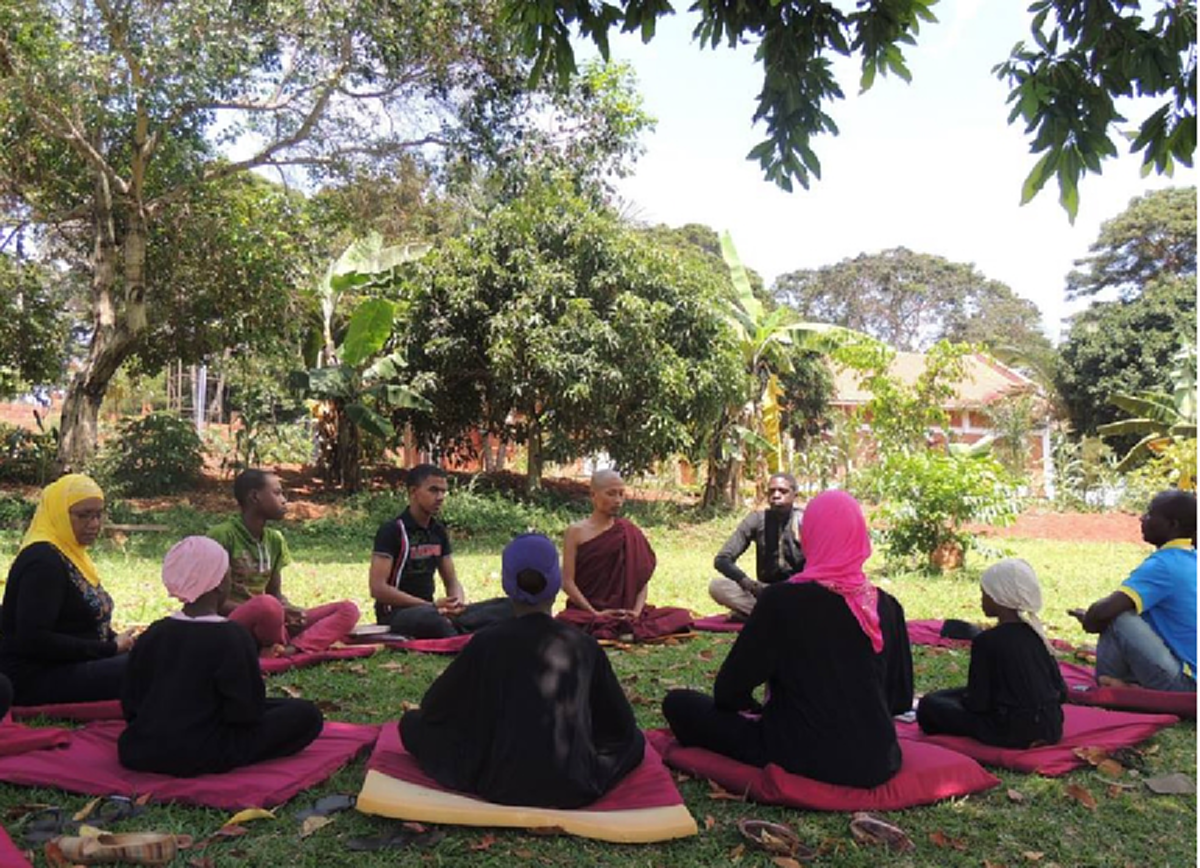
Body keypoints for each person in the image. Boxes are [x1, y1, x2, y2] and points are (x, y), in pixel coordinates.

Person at [661, 490, 901, 788]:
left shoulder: (782, 601)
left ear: (811, 535)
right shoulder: (887, 606)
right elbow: (899, 698)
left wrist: (759, 710)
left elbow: (729, 691)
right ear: (860, 537)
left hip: (798, 754)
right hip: (879, 760)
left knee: (680, 704)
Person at [400, 533, 645, 807]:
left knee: (412, 724)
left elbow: (434, 706)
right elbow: (620, 725)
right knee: (635, 741)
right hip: (577, 785)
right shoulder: (585, 646)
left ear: (507, 583)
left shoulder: (486, 643)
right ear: (555, 584)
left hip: (498, 784)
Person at [119, 536, 323, 776]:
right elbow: (246, 712)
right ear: (217, 583)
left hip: (139, 749)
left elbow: (131, 704)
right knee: (305, 715)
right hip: (203, 752)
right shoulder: (232, 637)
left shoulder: (154, 633)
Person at [0, 474, 133, 705]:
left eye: (98, 514)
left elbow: (79, 621)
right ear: (59, 514)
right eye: (83, 516)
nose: (94, 524)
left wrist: (117, 642)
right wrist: (109, 649)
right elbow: (34, 639)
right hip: (36, 678)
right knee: (147, 666)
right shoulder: (43, 562)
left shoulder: (71, 555)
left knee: (152, 655)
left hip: (72, 664)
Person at [207, 469, 359, 655]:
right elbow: (210, 601)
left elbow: (275, 593)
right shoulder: (222, 536)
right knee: (267, 606)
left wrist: (290, 611)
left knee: (347, 610)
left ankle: (291, 649)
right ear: (255, 497)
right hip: (233, 624)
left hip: (272, 621)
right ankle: (274, 645)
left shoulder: (274, 540)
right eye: (277, 493)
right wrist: (271, 611)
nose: (284, 500)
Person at [917, 558, 1065, 747]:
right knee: (949, 696)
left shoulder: (987, 641)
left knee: (931, 705)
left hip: (1010, 731)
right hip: (1051, 727)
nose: (982, 600)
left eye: (984, 594)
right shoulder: (1036, 635)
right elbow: (1060, 692)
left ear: (998, 598)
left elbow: (978, 703)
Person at [1069, 489, 1196, 693]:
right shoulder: (1191, 558)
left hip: (1186, 684)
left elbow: (1103, 613)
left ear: (1173, 525)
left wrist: (1090, 618)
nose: (1142, 518)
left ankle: (1114, 682)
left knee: (1118, 616)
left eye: (1150, 514)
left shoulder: (1164, 565)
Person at [369, 464, 512, 639]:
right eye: (433, 491)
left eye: (443, 491)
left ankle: (461, 631)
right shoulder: (392, 531)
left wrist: (456, 604)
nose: (440, 497)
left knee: (510, 606)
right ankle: (466, 635)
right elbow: (378, 588)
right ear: (413, 492)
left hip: (434, 609)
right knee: (435, 622)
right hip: (399, 614)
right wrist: (430, 606)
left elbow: (451, 581)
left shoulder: (438, 532)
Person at [557, 469, 693, 642]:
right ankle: (614, 628)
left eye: (621, 494)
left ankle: (625, 627)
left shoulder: (628, 531)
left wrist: (636, 613)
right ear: (593, 495)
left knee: (681, 616)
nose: (618, 500)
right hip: (588, 610)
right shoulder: (576, 532)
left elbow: (641, 580)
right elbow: (567, 582)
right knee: (564, 622)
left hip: (626, 612)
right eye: (611, 494)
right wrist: (595, 613)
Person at [709, 472, 805, 619]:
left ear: (795, 495)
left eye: (783, 491)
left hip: (798, 591)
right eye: (771, 491)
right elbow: (722, 559)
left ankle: (763, 616)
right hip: (764, 592)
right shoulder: (756, 520)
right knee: (717, 587)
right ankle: (776, 616)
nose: (776, 495)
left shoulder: (805, 520)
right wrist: (747, 583)